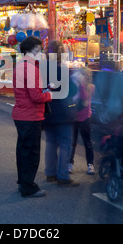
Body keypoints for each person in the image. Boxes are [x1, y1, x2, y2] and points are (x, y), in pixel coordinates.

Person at [12, 36, 52, 197]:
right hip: (30, 116)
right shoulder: (30, 68)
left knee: (23, 151)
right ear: (30, 51)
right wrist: (49, 95)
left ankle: (23, 182)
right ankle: (28, 187)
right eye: (38, 50)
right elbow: (36, 97)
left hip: (21, 114)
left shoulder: (20, 66)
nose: (40, 53)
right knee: (31, 153)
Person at [43, 41, 79, 187]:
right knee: (65, 143)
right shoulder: (62, 70)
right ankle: (63, 175)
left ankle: (50, 173)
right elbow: (73, 90)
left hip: (47, 110)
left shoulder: (42, 69)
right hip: (63, 112)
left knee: (50, 143)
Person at [69, 67, 96, 175]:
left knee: (87, 142)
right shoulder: (75, 84)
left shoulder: (90, 87)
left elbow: (84, 98)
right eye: (83, 74)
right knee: (72, 142)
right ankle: (69, 163)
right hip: (74, 117)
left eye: (86, 75)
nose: (84, 77)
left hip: (85, 117)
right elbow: (73, 99)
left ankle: (90, 164)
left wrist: (81, 85)